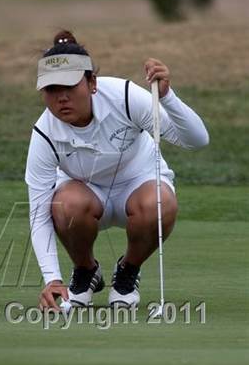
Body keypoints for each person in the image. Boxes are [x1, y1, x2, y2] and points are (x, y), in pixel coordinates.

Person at [25, 30, 209, 311]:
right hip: (85, 197)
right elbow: (38, 213)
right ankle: (86, 271)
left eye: (70, 87)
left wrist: (167, 97)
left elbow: (196, 140)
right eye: (51, 89)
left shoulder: (124, 96)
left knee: (160, 203)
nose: (61, 98)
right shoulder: (44, 133)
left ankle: (127, 272)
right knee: (65, 204)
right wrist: (52, 279)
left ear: (92, 83)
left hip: (139, 184)